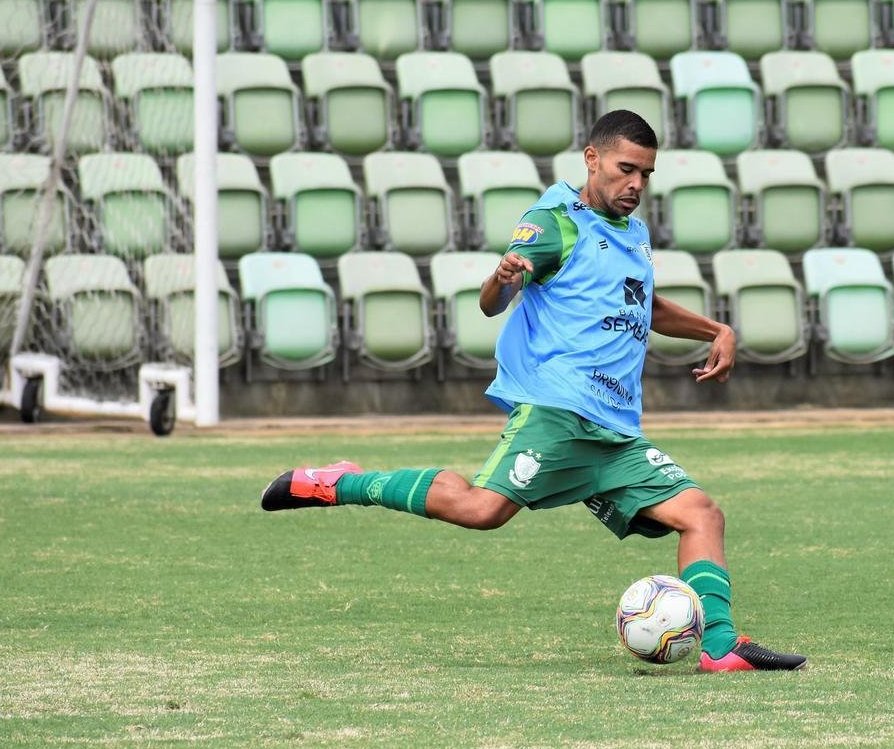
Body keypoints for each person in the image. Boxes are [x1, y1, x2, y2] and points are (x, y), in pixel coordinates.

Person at [260, 110, 806, 672]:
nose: (636, 184)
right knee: (481, 510)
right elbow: (494, 300)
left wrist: (716, 330)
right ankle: (343, 483)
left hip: (615, 430)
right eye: (626, 169)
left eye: (645, 174)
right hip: (557, 409)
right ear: (592, 159)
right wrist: (502, 278)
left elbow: (643, 303)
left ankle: (719, 646)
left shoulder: (634, 234)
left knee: (702, 514)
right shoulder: (553, 223)